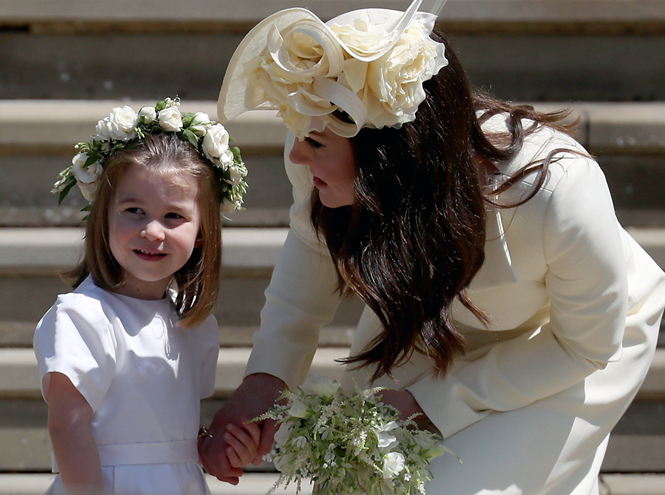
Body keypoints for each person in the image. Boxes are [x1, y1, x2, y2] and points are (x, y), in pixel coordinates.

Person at [200, 1, 665, 493]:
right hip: (436, 316)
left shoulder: (556, 190)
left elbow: (585, 345)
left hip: (568, 344)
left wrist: (431, 402)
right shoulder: (320, 158)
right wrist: (266, 380)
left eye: (314, 142)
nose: (296, 154)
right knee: (357, 479)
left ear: (389, 152)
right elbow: (310, 258)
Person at [33, 98, 255, 495]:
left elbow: (164, 430)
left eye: (173, 216)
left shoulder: (190, 320)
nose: (153, 231)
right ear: (104, 216)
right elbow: (67, 423)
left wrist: (207, 447)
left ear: (202, 232)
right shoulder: (84, 316)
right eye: (134, 210)